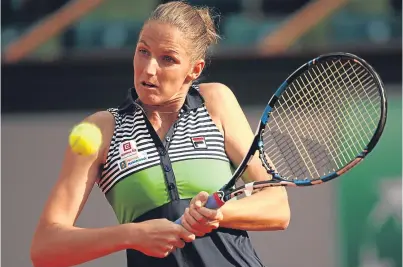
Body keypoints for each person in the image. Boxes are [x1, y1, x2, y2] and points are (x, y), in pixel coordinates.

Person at [30, 1, 290, 267]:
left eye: (168, 59)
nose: (149, 69)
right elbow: (46, 246)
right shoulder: (102, 129)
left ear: (194, 70)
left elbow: (277, 207)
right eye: (143, 51)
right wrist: (131, 234)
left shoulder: (216, 101)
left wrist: (219, 214)